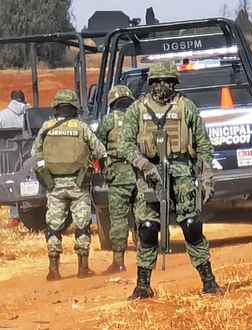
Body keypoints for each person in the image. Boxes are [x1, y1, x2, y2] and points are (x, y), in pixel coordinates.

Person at [119, 61, 222, 300]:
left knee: (192, 225)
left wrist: (206, 176)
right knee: (147, 229)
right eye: (157, 82)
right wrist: (144, 165)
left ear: (174, 83)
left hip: (182, 171)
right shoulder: (137, 109)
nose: (162, 86)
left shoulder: (186, 107)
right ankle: (143, 285)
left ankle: (208, 281)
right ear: (151, 83)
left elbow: (203, 144)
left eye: (167, 82)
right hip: (150, 175)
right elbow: (125, 144)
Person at [31, 89, 106, 281]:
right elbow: (100, 152)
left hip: (54, 185)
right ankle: (83, 268)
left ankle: (54, 269)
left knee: (53, 227)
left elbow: (35, 156)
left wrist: (46, 176)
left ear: (56, 108)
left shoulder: (46, 128)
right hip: (78, 184)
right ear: (74, 108)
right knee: (82, 225)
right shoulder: (81, 127)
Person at [96, 85, 137, 274]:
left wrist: (103, 167)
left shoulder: (109, 120)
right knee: (143, 216)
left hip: (117, 176)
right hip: (139, 175)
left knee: (119, 219)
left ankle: (118, 262)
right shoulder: (139, 117)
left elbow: (98, 146)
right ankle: (147, 257)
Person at [0, 90, 29, 226]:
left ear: (11, 100)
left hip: (6, 156)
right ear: (23, 100)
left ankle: (15, 216)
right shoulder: (28, 113)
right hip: (24, 155)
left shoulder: (2, 115)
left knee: (10, 180)